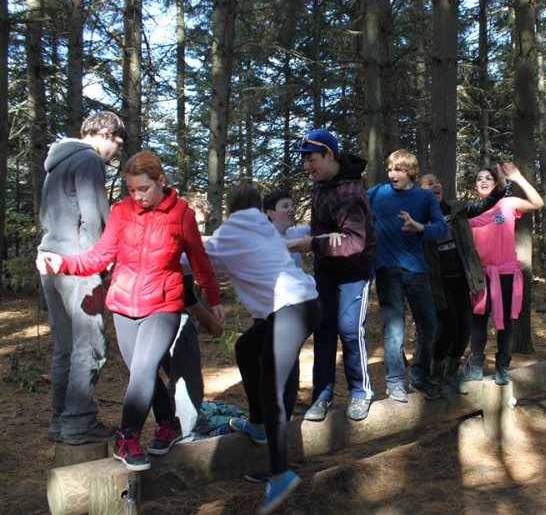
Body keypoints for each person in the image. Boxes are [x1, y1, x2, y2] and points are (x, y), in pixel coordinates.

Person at [37, 151, 223, 471]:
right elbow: (99, 256)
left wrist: (215, 299)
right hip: (123, 306)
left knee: (144, 369)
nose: (137, 196)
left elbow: (199, 261)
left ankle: (128, 438)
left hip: (163, 304)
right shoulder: (122, 211)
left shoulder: (181, 214)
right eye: (132, 189)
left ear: (161, 181)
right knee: (143, 374)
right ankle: (167, 423)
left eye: (144, 189)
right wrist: (64, 262)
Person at [199, 184, 321, 514]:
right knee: (245, 347)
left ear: (230, 209)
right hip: (305, 304)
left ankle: (280, 472)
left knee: (272, 387)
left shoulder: (231, 233)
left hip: (290, 308)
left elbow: (197, 259)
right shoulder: (262, 230)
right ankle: (256, 423)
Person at [37, 111, 126, 445]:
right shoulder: (87, 160)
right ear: (105, 132)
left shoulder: (57, 160)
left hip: (52, 260)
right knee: (90, 345)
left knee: (65, 347)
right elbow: (94, 219)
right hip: (80, 263)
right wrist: (104, 266)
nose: (116, 152)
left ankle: (60, 422)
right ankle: (78, 421)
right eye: (117, 142)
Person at [285, 129, 377, 422]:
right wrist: (311, 238)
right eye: (303, 160)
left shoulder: (349, 192)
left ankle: (361, 392)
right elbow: (324, 231)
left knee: (349, 330)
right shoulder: (321, 185)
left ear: (329, 154)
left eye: (311, 159)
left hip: (354, 273)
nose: (306, 166)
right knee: (324, 331)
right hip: (326, 271)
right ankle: (321, 396)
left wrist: (310, 244)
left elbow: (353, 242)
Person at [367, 150, 447, 402]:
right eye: (390, 168)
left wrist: (421, 227)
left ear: (410, 171)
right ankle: (394, 383)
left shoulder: (424, 197)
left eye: (398, 169)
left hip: (417, 270)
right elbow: (352, 207)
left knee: (429, 326)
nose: (392, 174)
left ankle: (418, 374)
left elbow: (441, 227)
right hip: (387, 270)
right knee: (394, 329)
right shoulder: (377, 193)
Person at [417, 172, 506, 389]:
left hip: (463, 279)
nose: (436, 185)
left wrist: (501, 187)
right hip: (438, 283)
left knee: (465, 327)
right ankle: (435, 373)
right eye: (430, 183)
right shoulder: (419, 216)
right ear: (421, 191)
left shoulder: (456, 209)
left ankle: (451, 372)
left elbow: (484, 204)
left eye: (437, 181)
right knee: (449, 327)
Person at [462, 162, 544, 388]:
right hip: (479, 274)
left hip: (506, 272)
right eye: (479, 178)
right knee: (478, 319)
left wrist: (518, 178)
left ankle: (503, 365)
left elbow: (538, 203)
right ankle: (476, 365)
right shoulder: (469, 210)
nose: (484, 181)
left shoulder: (508, 203)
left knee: (505, 322)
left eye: (488, 177)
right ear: (474, 185)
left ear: (496, 182)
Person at [152, 195, 223, 449]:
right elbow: (187, 296)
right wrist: (211, 323)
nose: (198, 228)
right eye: (196, 221)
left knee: (171, 374)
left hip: (156, 313)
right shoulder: (174, 237)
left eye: (203, 224)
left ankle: (171, 426)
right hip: (168, 314)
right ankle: (186, 433)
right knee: (187, 376)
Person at [263, 190, 310, 268]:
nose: (292, 209)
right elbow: (291, 245)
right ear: (271, 213)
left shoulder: (294, 232)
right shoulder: (265, 237)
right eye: (285, 206)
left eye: (292, 206)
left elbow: (317, 227)